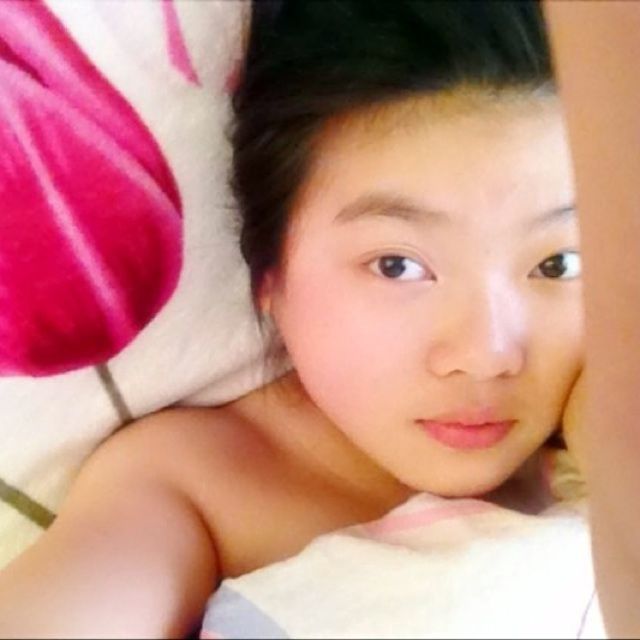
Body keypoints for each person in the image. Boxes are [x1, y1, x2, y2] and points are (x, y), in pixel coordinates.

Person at [0, 1, 604, 636]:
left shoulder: (600, 442)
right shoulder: (195, 491)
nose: (486, 354)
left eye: (559, 264)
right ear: (270, 272)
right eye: (397, 266)